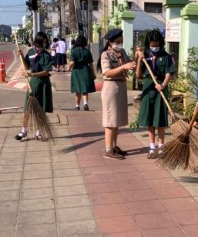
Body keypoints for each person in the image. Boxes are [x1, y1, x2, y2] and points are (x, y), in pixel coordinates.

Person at [134, 29, 175, 158]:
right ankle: (152, 146)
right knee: (150, 118)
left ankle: (161, 146)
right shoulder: (144, 54)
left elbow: (169, 73)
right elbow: (138, 76)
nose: (154, 47)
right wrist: (140, 60)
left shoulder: (166, 55)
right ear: (148, 43)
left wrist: (163, 85)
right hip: (148, 86)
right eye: (152, 45)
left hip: (161, 87)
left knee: (161, 118)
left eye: (157, 44)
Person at [98, 28, 136, 160]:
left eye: (121, 41)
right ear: (110, 42)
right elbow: (107, 73)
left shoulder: (122, 52)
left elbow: (130, 64)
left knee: (117, 120)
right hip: (111, 87)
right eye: (118, 42)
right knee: (110, 120)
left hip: (121, 86)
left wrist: (137, 58)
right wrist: (123, 67)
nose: (120, 44)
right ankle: (108, 149)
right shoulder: (105, 55)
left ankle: (114, 146)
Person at [15, 32, 54, 141]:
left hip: (43, 84)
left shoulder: (46, 55)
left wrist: (32, 74)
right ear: (38, 41)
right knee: (27, 108)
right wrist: (21, 56)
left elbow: (46, 71)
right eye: (43, 41)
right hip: (33, 83)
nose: (45, 43)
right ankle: (23, 130)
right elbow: (27, 66)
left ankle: (38, 132)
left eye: (46, 41)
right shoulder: (31, 52)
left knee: (41, 109)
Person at [68, 35, 96, 111]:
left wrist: (69, 68)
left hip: (77, 70)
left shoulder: (74, 51)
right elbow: (91, 64)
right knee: (85, 89)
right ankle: (85, 103)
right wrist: (93, 73)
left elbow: (72, 62)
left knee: (77, 90)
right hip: (86, 70)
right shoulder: (87, 51)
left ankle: (77, 106)